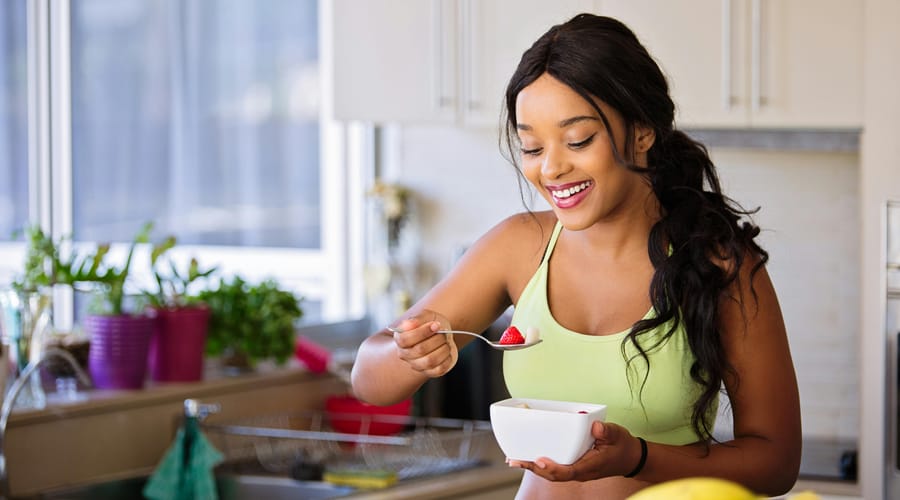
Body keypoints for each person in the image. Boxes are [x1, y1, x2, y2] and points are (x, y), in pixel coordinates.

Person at [350, 13, 801, 500]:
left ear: (643, 131)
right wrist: (409, 353)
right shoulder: (518, 247)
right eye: (531, 146)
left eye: (578, 140)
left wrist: (639, 458)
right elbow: (369, 381)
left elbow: (776, 461)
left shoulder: (721, 265)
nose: (551, 168)